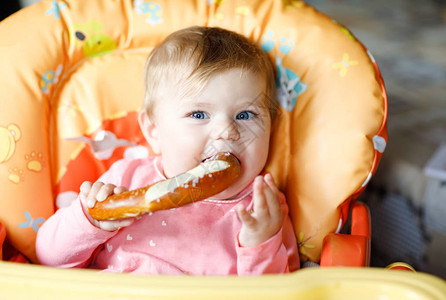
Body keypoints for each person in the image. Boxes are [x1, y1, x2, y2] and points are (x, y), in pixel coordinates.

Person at [36, 26, 300, 275]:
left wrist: (261, 246)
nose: (227, 131)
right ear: (154, 131)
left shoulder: (264, 207)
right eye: (199, 114)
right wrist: (89, 220)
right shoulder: (124, 181)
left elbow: (282, 292)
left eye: (245, 114)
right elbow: (48, 259)